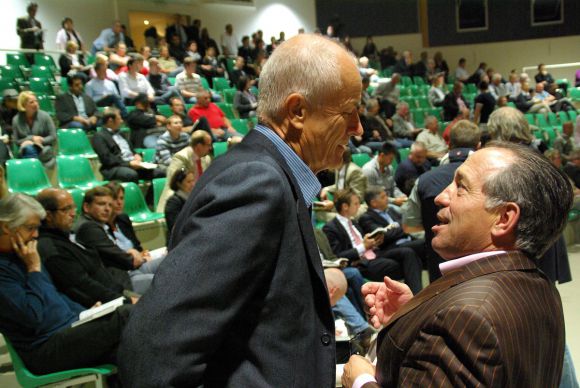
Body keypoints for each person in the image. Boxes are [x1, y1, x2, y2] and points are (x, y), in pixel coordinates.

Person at [118, 34, 363, 387]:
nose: (358, 127)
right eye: (348, 111)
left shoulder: (271, 176)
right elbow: (154, 350)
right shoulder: (256, 183)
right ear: (297, 112)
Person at [342, 141, 573, 388]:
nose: (441, 197)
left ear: (504, 218)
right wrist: (414, 315)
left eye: (461, 187)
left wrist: (361, 381)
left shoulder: (466, 317)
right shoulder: (540, 286)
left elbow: (467, 323)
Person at [0, 193, 132, 375]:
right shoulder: (13, 266)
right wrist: (34, 269)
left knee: (133, 350)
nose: (36, 235)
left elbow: (54, 296)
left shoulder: (23, 254)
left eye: (37, 228)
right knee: (126, 315)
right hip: (43, 348)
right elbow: (33, 317)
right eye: (30, 228)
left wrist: (85, 313)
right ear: (6, 227)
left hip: (68, 330)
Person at [36, 188, 135, 307]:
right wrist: (127, 301)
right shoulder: (52, 248)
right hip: (111, 304)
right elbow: (84, 286)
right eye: (66, 209)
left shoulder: (63, 237)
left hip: (117, 292)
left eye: (73, 207)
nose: (73, 213)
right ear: (48, 215)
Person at [74, 186, 161, 295]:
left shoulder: (95, 224)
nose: (107, 209)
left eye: (110, 205)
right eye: (101, 204)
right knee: (166, 279)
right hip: (121, 283)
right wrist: (134, 256)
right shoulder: (88, 227)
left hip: (127, 272)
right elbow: (123, 258)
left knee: (170, 260)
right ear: (86, 207)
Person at [92, 108, 164, 182]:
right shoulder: (99, 136)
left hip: (132, 164)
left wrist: (136, 155)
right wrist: (128, 164)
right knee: (131, 174)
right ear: (110, 120)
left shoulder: (121, 134)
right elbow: (107, 159)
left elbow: (131, 150)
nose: (122, 121)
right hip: (114, 167)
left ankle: (149, 194)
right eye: (119, 119)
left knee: (159, 173)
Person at [155, 129, 212, 212]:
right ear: (199, 146)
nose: (210, 148)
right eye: (208, 145)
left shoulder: (206, 158)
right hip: (179, 201)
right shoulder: (181, 157)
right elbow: (174, 183)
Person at [12, 91, 56, 168]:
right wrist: (30, 139)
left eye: (36, 101)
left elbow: (53, 136)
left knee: (30, 151)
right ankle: (35, 171)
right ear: (23, 105)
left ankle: (31, 171)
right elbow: (16, 141)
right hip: (25, 149)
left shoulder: (45, 116)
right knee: (29, 149)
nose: (35, 104)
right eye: (31, 102)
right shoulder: (16, 120)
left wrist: (41, 140)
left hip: (44, 148)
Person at [362, 141, 407, 206]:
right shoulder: (369, 170)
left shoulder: (390, 168)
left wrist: (402, 196)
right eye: (390, 159)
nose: (392, 162)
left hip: (390, 201)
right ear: (382, 155)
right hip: (377, 205)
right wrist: (394, 201)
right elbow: (372, 196)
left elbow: (393, 187)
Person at [164, 167, 195, 235]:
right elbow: (176, 228)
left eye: (193, 180)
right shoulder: (173, 203)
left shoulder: (194, 198)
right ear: (179, 184)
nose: (193, 184)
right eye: (188, 182)